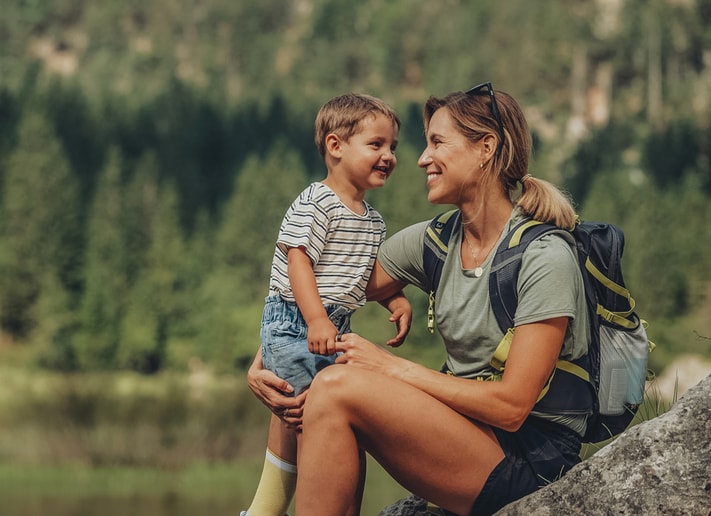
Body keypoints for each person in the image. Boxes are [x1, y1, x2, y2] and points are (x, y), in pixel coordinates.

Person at [247, 82, 594, 515]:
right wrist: (272, 355)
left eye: (437, 142)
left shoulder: (545, 257)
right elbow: (330, 286)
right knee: (311, 383)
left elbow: (511, 407)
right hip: (467, 433)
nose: (421, 158)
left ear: (485, 148)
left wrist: (390, 366)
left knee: (334, 385)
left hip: (531, 457)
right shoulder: (438, 240)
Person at [242, 93, 413, 516]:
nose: (389, 156)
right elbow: (297, 260)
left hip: (334, 328)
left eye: (392, 146)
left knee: (339, 425)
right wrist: (316, 319)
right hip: (296, 324)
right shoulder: (316, 201)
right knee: (313, 424)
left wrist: (394, 298)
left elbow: (360, 276)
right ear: (335, 146)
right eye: (376, 144)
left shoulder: (373, 221)